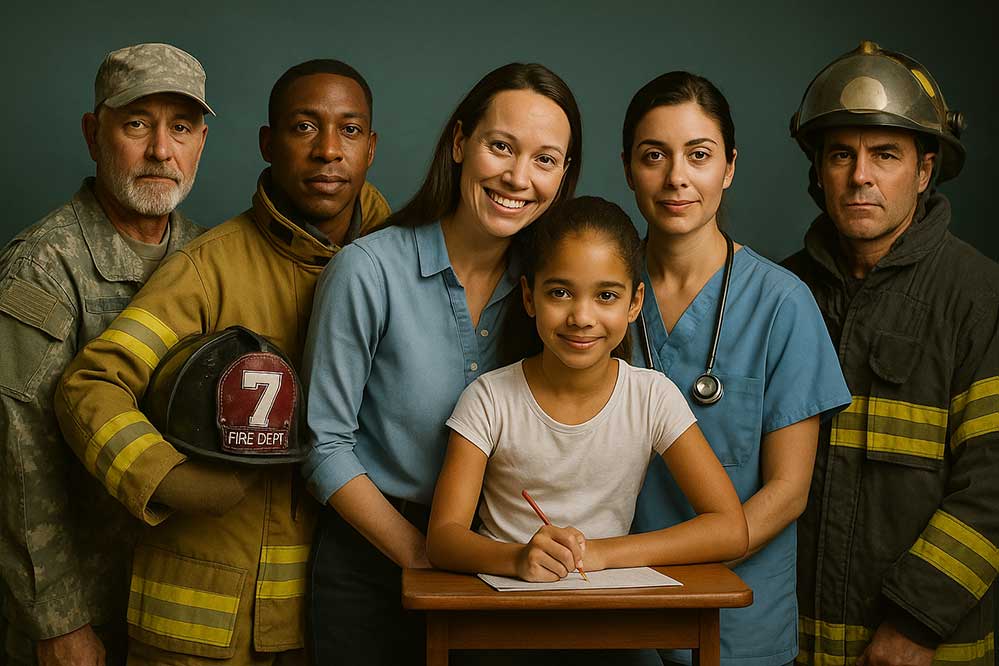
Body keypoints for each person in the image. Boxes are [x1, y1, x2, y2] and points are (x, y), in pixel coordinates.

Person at [54, 59, 389, 665]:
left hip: (336, 618)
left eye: (349, 130)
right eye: (304, 128)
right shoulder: (206, 270)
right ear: (268, 142)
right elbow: (91, 385)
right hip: (200, 627)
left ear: (371, 146)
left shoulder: (401, 262)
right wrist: (173, 480)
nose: (327, 152)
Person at [302, 62, 582, 665]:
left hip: (499, 563)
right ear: (460, 144)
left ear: (563, 176)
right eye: (501, 146)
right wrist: (423, 552)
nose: (518, 177)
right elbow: (324, 446)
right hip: (371, 564)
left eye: (545, 159)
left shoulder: (551, 296)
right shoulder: (368, 271)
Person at [621, 71, 852, 666]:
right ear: (628, 167)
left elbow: (787, 493)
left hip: (734, 621)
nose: (677, 177)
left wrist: (666, 563)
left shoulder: (782, 304)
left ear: (727, 167)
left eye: (698, 155)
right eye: (655, 156)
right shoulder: (598, 297)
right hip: (616, 612)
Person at [784, 41, 998, 666]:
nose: (860, 177)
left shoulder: (980, 298)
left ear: (925, 171)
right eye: (841, 155)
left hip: (926, 649)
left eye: (885, 155)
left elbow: (992, 485)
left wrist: (917, 622)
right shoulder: (780, 294)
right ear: (818, 170)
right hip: (790, 644)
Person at [0, 42, 211, 666]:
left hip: (175, 606)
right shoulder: (42, 264)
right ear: (95, 134)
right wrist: (57, 622)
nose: (160, 151)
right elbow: (17, 454)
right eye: (137, 123)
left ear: (201, 140)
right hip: (82, 611)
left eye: (181, 127)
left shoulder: (207, 256)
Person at [427, 194, 747, 579]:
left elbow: (730, 529)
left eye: (606, 296)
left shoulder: (651, 398)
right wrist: (515, 559)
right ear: (529, 297)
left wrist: (602, 553)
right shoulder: (489, 399)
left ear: (634, 303)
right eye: (559, 292)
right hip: (500, 617)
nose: (581, 317)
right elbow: (443, 539)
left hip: (607, 618)